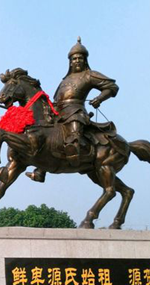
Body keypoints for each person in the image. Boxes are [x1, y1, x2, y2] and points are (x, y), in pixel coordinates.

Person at [26, 37, 119, 182]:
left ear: (85, 60)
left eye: (80, 58)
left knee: (74, 128)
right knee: (45, 133)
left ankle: (76, 153)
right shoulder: (65, 79)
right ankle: (40, 171)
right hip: (59, 111)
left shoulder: (89, 75)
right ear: (70, 61)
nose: (77, 61)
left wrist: (99, 98)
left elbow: (112, 87)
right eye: (74, 58)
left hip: (76, 111)